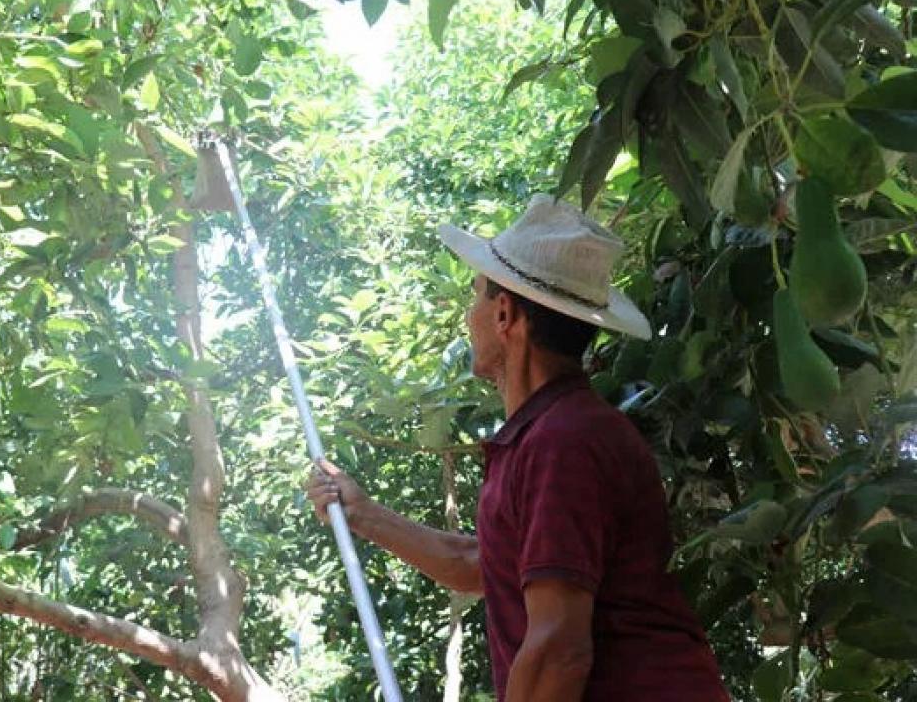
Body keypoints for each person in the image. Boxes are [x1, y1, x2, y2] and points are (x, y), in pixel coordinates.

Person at [305, 195, 730, 701]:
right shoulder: (553, 432)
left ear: (504, 313)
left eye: (476, 298)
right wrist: (364, 514)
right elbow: (479, 563)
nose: (469, 316)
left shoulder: (563, 441)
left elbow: (558, 649)